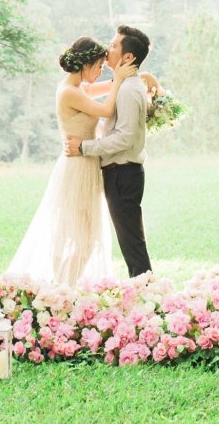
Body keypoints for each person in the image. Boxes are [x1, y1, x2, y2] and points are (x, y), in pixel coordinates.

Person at [6, 37, 136, 286]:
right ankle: (62, 286)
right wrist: (119, 79)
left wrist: (123, 78)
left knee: (83, 235)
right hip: (76, 168)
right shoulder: (69, 92)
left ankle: (64, 285)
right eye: (98, 66)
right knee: (76, 236)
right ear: (85, 64)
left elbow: (106, 88)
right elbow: (107, 110)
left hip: (86, 163)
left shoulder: (79, 88)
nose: (100, 72)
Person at [65, 24, 153, 279]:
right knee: (131, 241)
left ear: (128, 57)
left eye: (114, 45)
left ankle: (149, 295)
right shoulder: (125, 85)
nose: (108, 49)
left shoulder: (126, 90)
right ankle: (147, 292)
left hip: (123, 174)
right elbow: (114, 124)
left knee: (132, 244)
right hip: (121, 173)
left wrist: (84, 147)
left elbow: (123, 138)